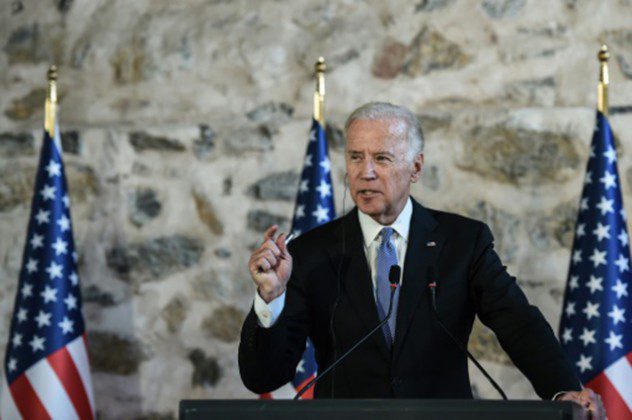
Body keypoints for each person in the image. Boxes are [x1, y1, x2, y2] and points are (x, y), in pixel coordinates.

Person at [239, 102, 604, 418]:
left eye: (381, 158)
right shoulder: (310, 253)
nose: (365, 172)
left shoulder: (463, 243)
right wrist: (270, 298)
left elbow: (518, 323)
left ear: (415, 167)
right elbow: (263, 377)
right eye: (355, 157)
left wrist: (562, 390)